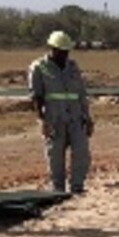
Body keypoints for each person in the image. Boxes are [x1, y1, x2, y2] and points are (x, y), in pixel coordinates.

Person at [28, 30, 93, 193]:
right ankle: (58, 188)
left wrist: (88, 117)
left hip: (76, 117)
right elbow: (36, 96)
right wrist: (42, 120)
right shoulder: (39, 67)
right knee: (55, 155)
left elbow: (81, 93)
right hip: (53, 118)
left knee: (81, 152)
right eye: (61, 51)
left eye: (66, 51)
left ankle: (77, 186)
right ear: (52, 49)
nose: (64, 54)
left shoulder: (73, 67)